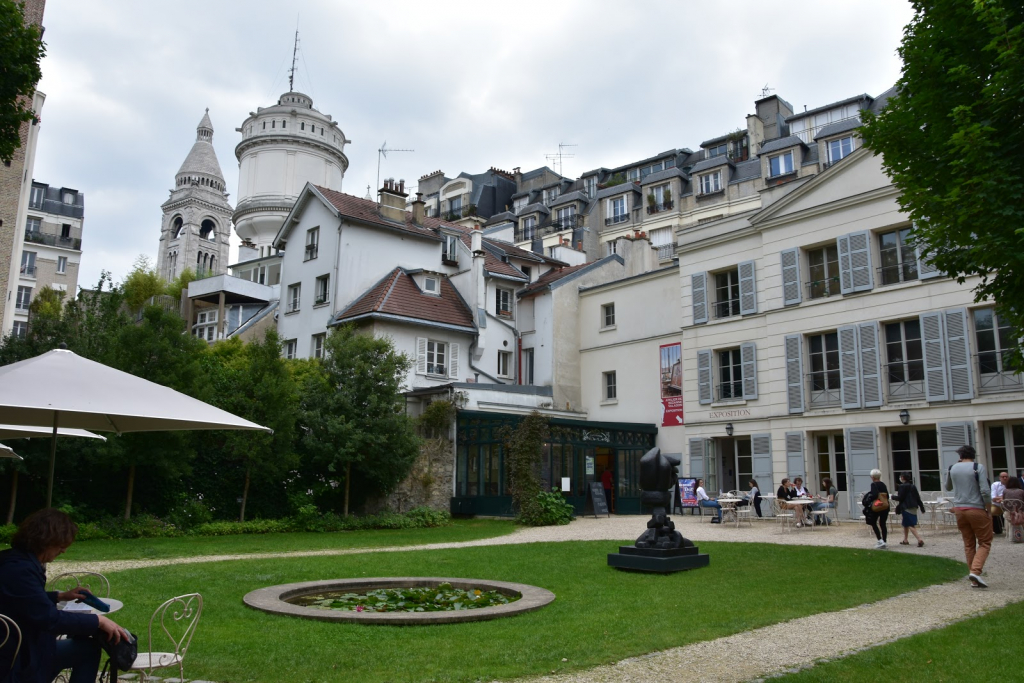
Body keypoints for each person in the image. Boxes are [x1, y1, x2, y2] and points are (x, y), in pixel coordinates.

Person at [0, 508, 130, 682]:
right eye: (61, 545)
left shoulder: (12, 560)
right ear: (45, 540)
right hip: (17, 659)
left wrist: (59, 596)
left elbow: (21, 600)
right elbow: (50, 619)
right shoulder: (19, 570)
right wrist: (99, 621)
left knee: (87, 648)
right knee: (87, 650)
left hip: (20, 646)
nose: (63, 550)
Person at [945, 445, 993, 588]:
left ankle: (973, 578)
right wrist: (988, 509)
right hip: (976, 508)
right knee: (985, 542)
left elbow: (948, 487)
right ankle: (975, 571)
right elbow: (985, 490)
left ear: (960, 455)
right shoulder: (977, 467)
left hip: (959, 509)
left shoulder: (952, 467)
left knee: (969, 543)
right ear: (973, 455)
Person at [894, 472, 925, 547]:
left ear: (902, 478)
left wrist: (892, 497)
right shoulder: (913, 486)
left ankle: (919, 539)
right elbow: (917, 497)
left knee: (910, 525)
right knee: (905, 524)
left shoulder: (902, 487)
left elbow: (900, 498)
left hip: (906, 507)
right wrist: (921, 507)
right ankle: (905, 540)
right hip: (914, 507)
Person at [862, 469, 890, 549]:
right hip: (885, 506)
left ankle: (880, 540)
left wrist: (868, 498)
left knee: (873, 523)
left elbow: (874, 495)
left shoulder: (874, 484)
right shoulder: (883, 484)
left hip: (877, 506)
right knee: (883, 523)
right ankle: (884, 540)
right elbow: (886, 495)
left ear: (873, 477)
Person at [1002, 476, 1024, 544]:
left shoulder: (1005, 491)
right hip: (1020, 513)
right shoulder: (1021, 491)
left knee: (1006, 514)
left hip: (1008, 512)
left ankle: (1008, 535)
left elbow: (1004, 501)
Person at [990, 471, 1008, 535]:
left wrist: (1001, 498)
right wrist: (1003, 498)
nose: (1005, 478)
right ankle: (991, 529)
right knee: (991, 512)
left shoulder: (1010, 485)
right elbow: (993, 498)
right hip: (997, 505)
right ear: (1000, 478)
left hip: (1008, 505)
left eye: (1006, 477)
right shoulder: (995, 485)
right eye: (1003, 477)